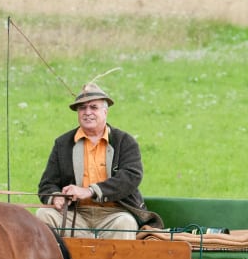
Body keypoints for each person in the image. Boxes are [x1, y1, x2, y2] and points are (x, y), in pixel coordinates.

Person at [36, 81, 161, 239]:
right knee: (43, 214)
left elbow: (131, 177)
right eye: (82, 108)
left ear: (105, 112)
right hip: (76, 215)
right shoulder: (63, 143)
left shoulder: (124, 141)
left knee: (126, 223)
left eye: (93, 107)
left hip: (114, 214)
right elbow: (47, 183)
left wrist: (89, 191)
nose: (87, 112)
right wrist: (55, 196)